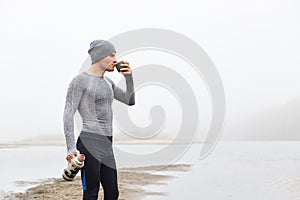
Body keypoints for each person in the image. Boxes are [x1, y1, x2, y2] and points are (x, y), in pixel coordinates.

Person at [63, 39, 135, 200]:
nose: (116, 60)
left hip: (107, 144)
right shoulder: (80, 81)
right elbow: (68, 113)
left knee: (112, 193)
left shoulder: (108, 82)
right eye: (112, 55)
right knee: (91, 193)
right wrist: (70, 148)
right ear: (99, 56)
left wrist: (129, 77)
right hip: (89, 142)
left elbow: (129, 100)